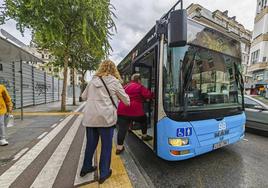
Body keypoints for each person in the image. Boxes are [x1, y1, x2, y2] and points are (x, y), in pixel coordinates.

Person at [80, 60, 130, 184]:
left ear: (101, 68)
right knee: (106, 147)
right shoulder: (114, 81)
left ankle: (86, 168)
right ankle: (104, 173)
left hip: (90, 119)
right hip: (106, 120)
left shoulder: (92, 81)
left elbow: (83, 97)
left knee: (91, 144)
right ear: (113, 69)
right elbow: (127, 101)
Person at [116, 73, 154, 155]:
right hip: (135, 111)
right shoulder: (139, 86)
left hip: (122, 110)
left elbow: (119, 96)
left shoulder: (125, 86)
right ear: (139, 80)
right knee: (144, 119)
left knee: (122, 129)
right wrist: (154, 94)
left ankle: (119, 148)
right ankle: (144, 136)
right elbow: (148, 95)